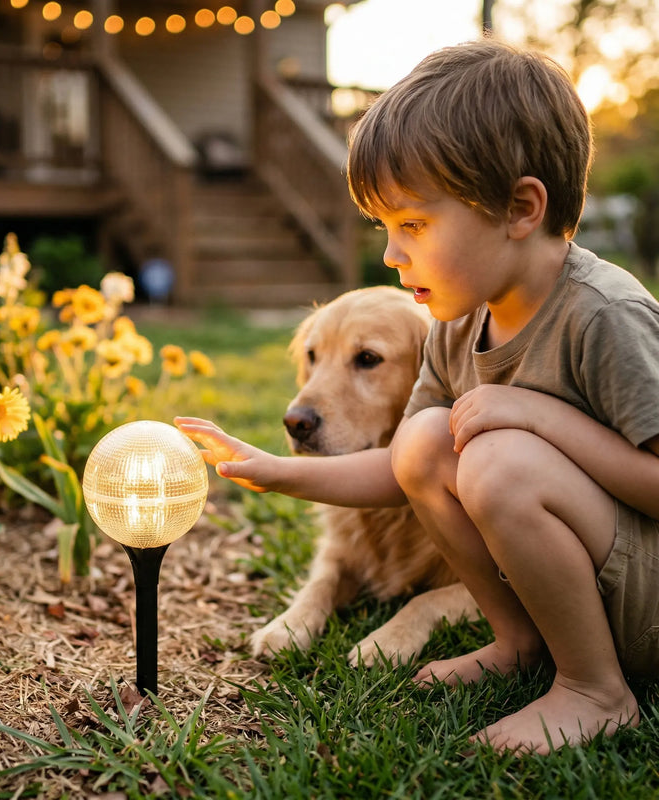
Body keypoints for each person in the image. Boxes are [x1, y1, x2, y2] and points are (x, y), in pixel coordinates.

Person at [175, 39, 659, 755]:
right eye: (385, 229)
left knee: (498, 460)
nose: (391, 255)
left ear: (521, 209)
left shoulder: (604, 313)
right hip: (568, 592)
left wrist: (539, 417)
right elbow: (401, 465)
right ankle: (519, 641)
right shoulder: (455, 324)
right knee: (430, 440)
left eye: (413, 225)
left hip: (644, 603)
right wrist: (277, 471)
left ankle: (595, 690)